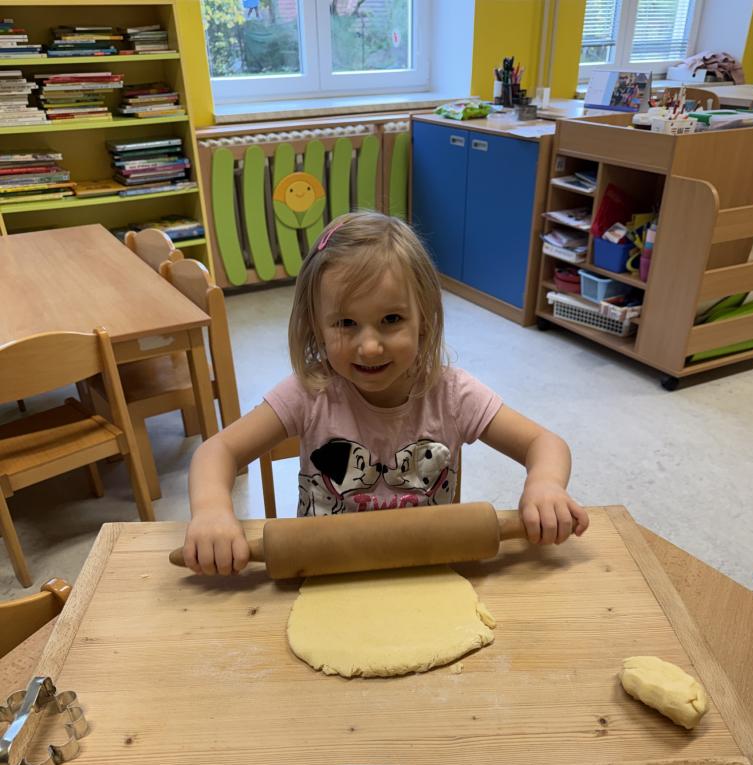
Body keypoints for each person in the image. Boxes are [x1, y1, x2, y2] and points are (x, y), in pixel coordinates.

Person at [183, 211, 589, 575]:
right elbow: (217, 451)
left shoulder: (453, 394)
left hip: (426, 568)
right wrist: (211, 510)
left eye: (391, 319)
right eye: (345, 323)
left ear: (424, 319)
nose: (370, 346)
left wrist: (546, 484)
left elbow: (544, 443)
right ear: (316, 327)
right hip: (325, 571)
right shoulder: (309, 394)